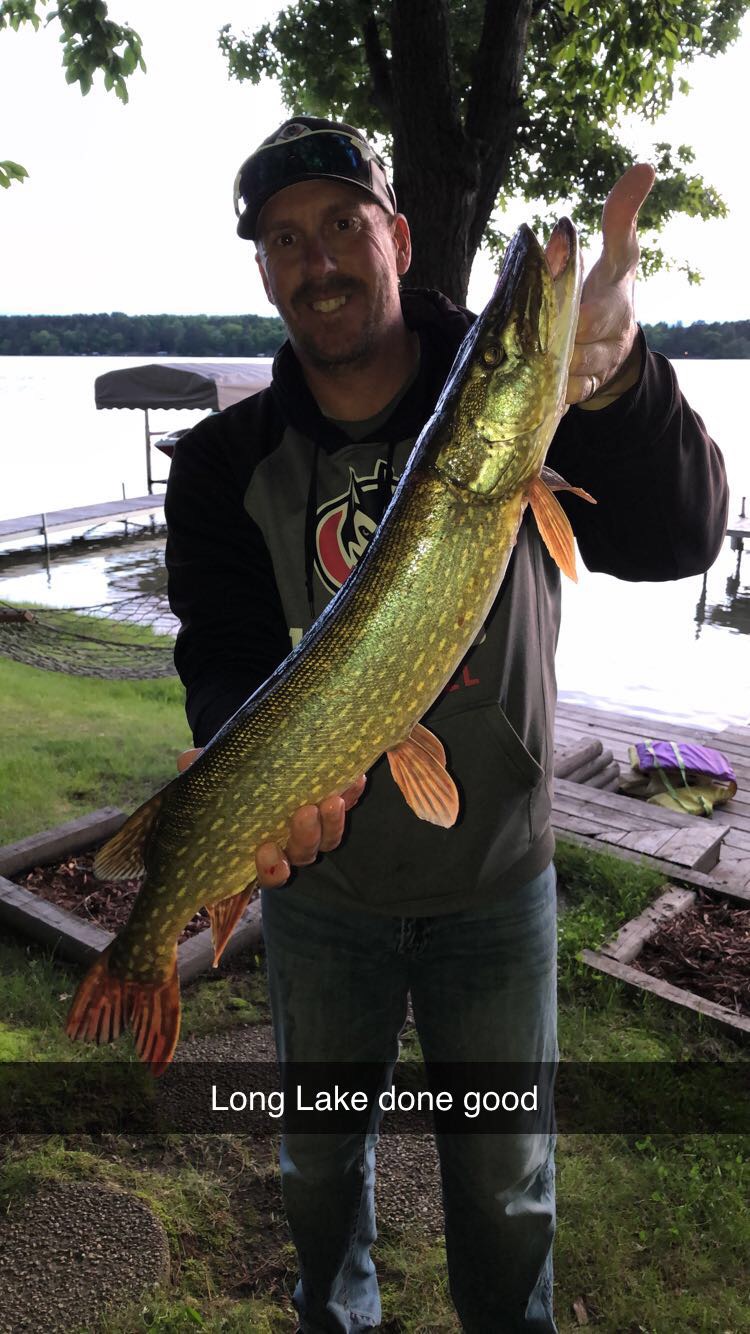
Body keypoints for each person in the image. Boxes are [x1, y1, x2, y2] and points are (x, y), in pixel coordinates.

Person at [165, 116, 728, 1333]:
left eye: (343, 225)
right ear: (263, 267)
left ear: (399, 235)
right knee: (319, 1173)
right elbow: (220, 654)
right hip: (321, 900)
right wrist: (247, 769)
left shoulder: (509, 394)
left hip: (496, 881)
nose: (317, 259)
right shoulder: (223, 461)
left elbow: (681, 533)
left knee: (508, 1183)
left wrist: (621, 379)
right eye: (284, 239)